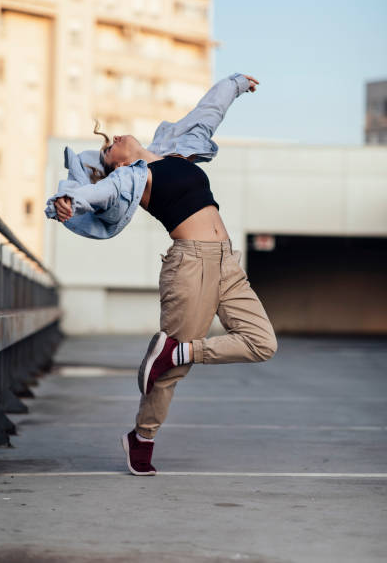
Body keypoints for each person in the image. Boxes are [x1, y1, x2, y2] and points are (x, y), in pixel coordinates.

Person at [47, 72, 278, 477]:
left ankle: (180, 349)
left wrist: (236, 83)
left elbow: (206, 114)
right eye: (106, 150)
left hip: (228, 263)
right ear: (114, 165)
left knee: (262, 343)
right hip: (189, 266)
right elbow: (94, 194)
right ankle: (143, 438)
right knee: (170, 373)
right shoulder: (128, 178)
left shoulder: (176, 152)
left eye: (111, 139)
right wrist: (66, 200)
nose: (112, 140)